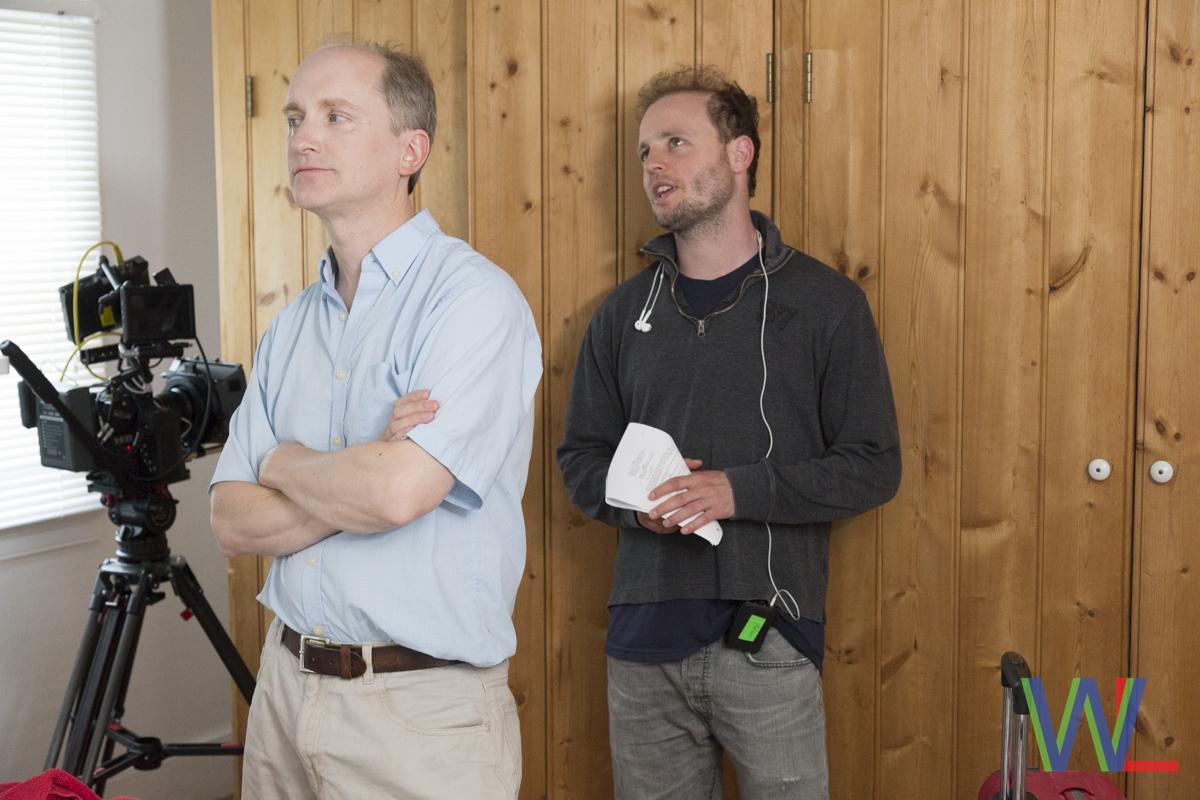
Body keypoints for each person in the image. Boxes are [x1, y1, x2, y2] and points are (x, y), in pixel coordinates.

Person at [556, 65, 901, 799]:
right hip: (643, 644)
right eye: (645, 150)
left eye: (676, 143)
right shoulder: (620, 315)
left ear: (739, 153)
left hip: (768, 638)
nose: (654, 165)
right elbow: (579, 458)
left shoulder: (827, 304)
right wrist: (635, 508)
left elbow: (873, 464)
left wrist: (737, 492)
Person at [209, 41, 540, 800]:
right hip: (283, 692)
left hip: (419, 715)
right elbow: (231, 522)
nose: (303, 137)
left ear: (409, 151)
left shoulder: (473, 301)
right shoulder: (291, 328)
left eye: (336, 116)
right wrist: (366, 464)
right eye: (295, 117)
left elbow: (397, 495)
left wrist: (281, 462)